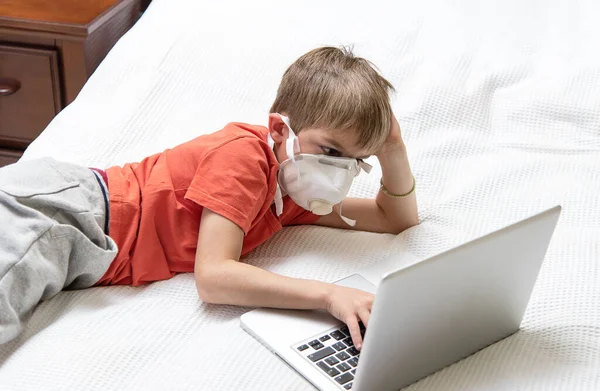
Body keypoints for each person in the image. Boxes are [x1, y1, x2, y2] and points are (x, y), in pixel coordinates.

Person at [0, 46, 418, 348]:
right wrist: (329, 294)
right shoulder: (244, 158)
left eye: (355, 161)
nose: (341, 172)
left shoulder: (294, 192)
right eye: (331, 152)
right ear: (279, 131)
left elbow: (392, 218)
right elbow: (215, 277)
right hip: (74, 214)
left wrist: (392, 147)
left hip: (85, 234)